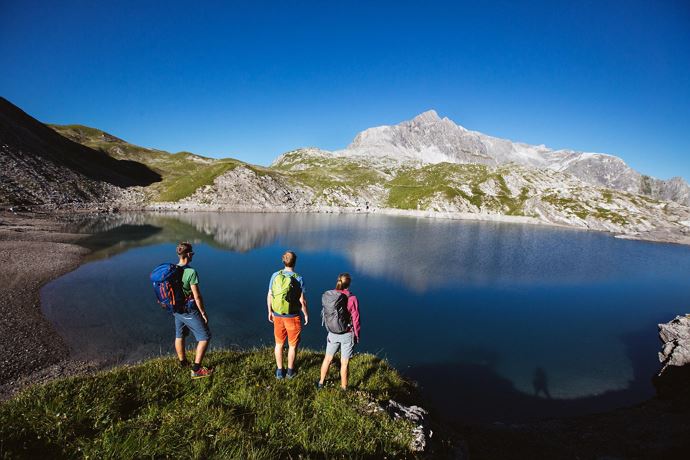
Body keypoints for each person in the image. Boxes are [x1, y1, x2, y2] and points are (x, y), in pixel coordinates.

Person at [174, 242, 213, 379]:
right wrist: (203, 312)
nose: (193, 255)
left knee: (180, 334)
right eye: (192, 253)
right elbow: (196, 296)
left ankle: (183, 362)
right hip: (188, 309)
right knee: (205, 337)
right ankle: (196, 370)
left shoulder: (172, 270)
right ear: (188, 254)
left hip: (175, 309)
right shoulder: (190, 272)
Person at [267, 250, 309, 379]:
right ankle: (290, 372)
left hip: (278, 315)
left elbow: (269, 295)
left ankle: (280, 371)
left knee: (279, 344)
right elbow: (302, 300)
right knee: (292, 345)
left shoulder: (275, 275)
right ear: (295, 262)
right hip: (292, 316)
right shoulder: (298, 278)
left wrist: (270, 311)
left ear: (283, 261)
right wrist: (306, 314)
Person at [317, 273, 360, 390]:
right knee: (344, 363)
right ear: (349, 283)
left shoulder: (331, 296)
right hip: (347, 333)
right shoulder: (352, 298)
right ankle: (344, 388)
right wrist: (356, 335)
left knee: (327, 359)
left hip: (332, 332)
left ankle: (321, 383)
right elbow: (355, 319)